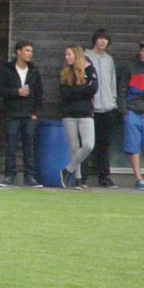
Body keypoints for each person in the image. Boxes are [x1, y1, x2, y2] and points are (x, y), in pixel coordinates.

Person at [0, 40, 43, 188]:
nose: (30, 54)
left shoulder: (34, 71)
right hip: (12, 113)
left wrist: (36, 113)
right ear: (18, 52)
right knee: (11, 146)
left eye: (31, 51)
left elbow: (39, 93)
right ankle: (9, 176)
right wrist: (16, 92)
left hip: (29, 115)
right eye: (27, 50)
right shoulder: (7, 69)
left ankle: (30, 177)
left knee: (29, 147)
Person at [59, 45, 98, 189]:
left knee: (88, 145)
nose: (66, 57)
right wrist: (82, 91)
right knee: (74, 146)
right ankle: (78, 179)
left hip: (86, 113)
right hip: (69, 114)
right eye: (65, 55)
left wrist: (75, 91)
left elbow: (93, 88)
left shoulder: (89, 69)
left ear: (76, 55)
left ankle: (67, 170)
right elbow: (64, 93)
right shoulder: (65, 72)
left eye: (69, 54)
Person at [84, 29, 119, 188]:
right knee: (87, 145)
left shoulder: (109, 59)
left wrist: (113, 102)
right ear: (95, 40)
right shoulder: (85, 57)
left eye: (106, 39)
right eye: (100, 38)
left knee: (104, 145)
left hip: (107, 108)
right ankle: (82, 178)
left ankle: (105, 177)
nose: (103, 41)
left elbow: (112, 82)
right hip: (91, 109)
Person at [118, 38, 144, 190]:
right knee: (133, 146)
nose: (142, 53)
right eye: (141, 50)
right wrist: (124, 112)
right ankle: (139, 179)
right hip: (132, 112)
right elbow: (122, 90)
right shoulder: (130, 67)